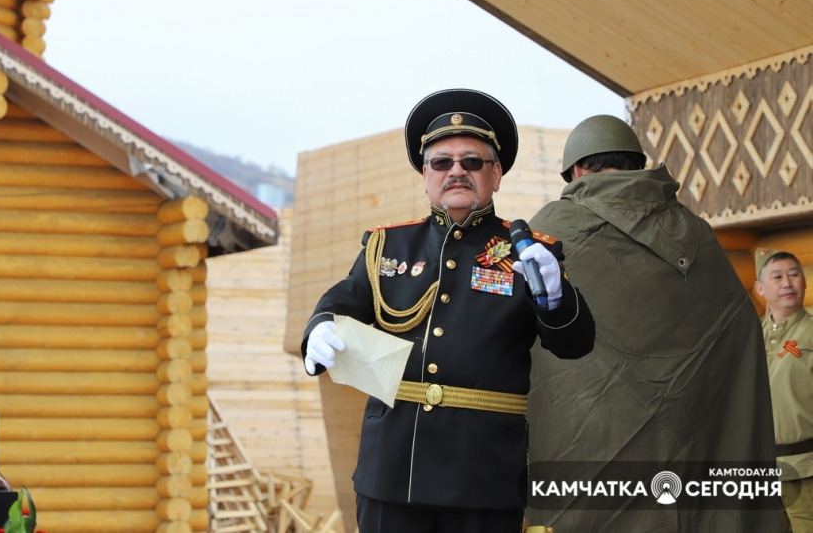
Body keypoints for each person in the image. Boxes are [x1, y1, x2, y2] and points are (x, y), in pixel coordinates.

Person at [301, 88, 596, 532]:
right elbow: (343, 300)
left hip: (482, 478)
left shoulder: (529, 254)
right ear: (425, 175)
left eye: (472, 162)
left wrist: (556, 296)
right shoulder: (388, 247)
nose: (456, 171)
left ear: (496, 175)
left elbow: (575, 343)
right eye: (442, 162)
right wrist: (319, 326)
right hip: (391, 475)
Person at [524, 114, 781, 531]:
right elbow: (740, 331)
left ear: (575, 171)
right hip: (693, 470)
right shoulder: (696, 232)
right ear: (637, 163)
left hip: (590, 481)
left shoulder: (550, 232)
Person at [756, 247, 813, 532]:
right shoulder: (750, 337)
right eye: (777, 276)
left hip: (806, 466)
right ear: (760, 287)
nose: (787, 283)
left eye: (794, 274)